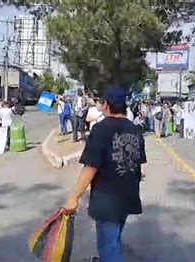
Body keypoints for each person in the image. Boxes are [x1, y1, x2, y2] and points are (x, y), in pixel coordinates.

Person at [64, 86, 147, 262]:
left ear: (107, 105)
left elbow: (90, 167)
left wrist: (73, 198)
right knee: (114, 238)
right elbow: (138, 166)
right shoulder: (136, 130)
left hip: (107, 200)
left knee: (109, 248)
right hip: (128, 196)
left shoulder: (101, 129)